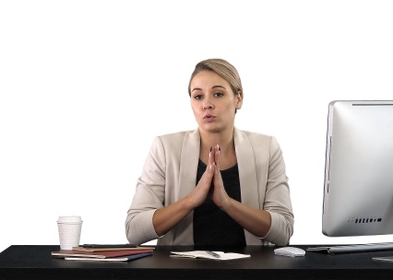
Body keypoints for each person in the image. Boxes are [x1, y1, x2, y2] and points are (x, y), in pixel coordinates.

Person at [125, 58, 294, 247]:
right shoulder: (165, 148)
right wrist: (190, 200)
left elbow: (284, 231)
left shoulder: (266, 148)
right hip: (181, 272)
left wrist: (227, 204)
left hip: (249, 272)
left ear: (238, 99)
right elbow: (134, 230)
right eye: (198, 96)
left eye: (218, 94)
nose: (207, 104)